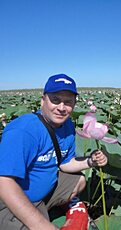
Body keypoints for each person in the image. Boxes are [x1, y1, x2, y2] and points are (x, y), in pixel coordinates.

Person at [0, 74, 108, 230]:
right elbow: (4, 182)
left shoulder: (67, 125)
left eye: (68, 102)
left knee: (80, 181)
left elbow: (65, 163)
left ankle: (46, 207)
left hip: (44, 194)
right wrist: (41, 225)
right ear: (43, 100)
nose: (62, 108)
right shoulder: (23, 131)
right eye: (55, 100)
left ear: (74, 104)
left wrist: (90, 161)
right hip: (9, 202)